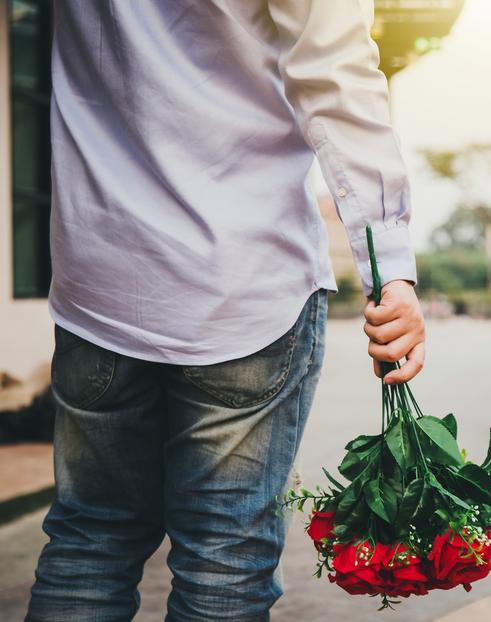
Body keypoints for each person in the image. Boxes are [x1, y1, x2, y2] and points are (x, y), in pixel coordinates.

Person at [27, 2, 426, 620]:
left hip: (99, 279)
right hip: (244, 284)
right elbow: (335, 71)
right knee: (224, 559)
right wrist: (389, 265)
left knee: (90, 541)